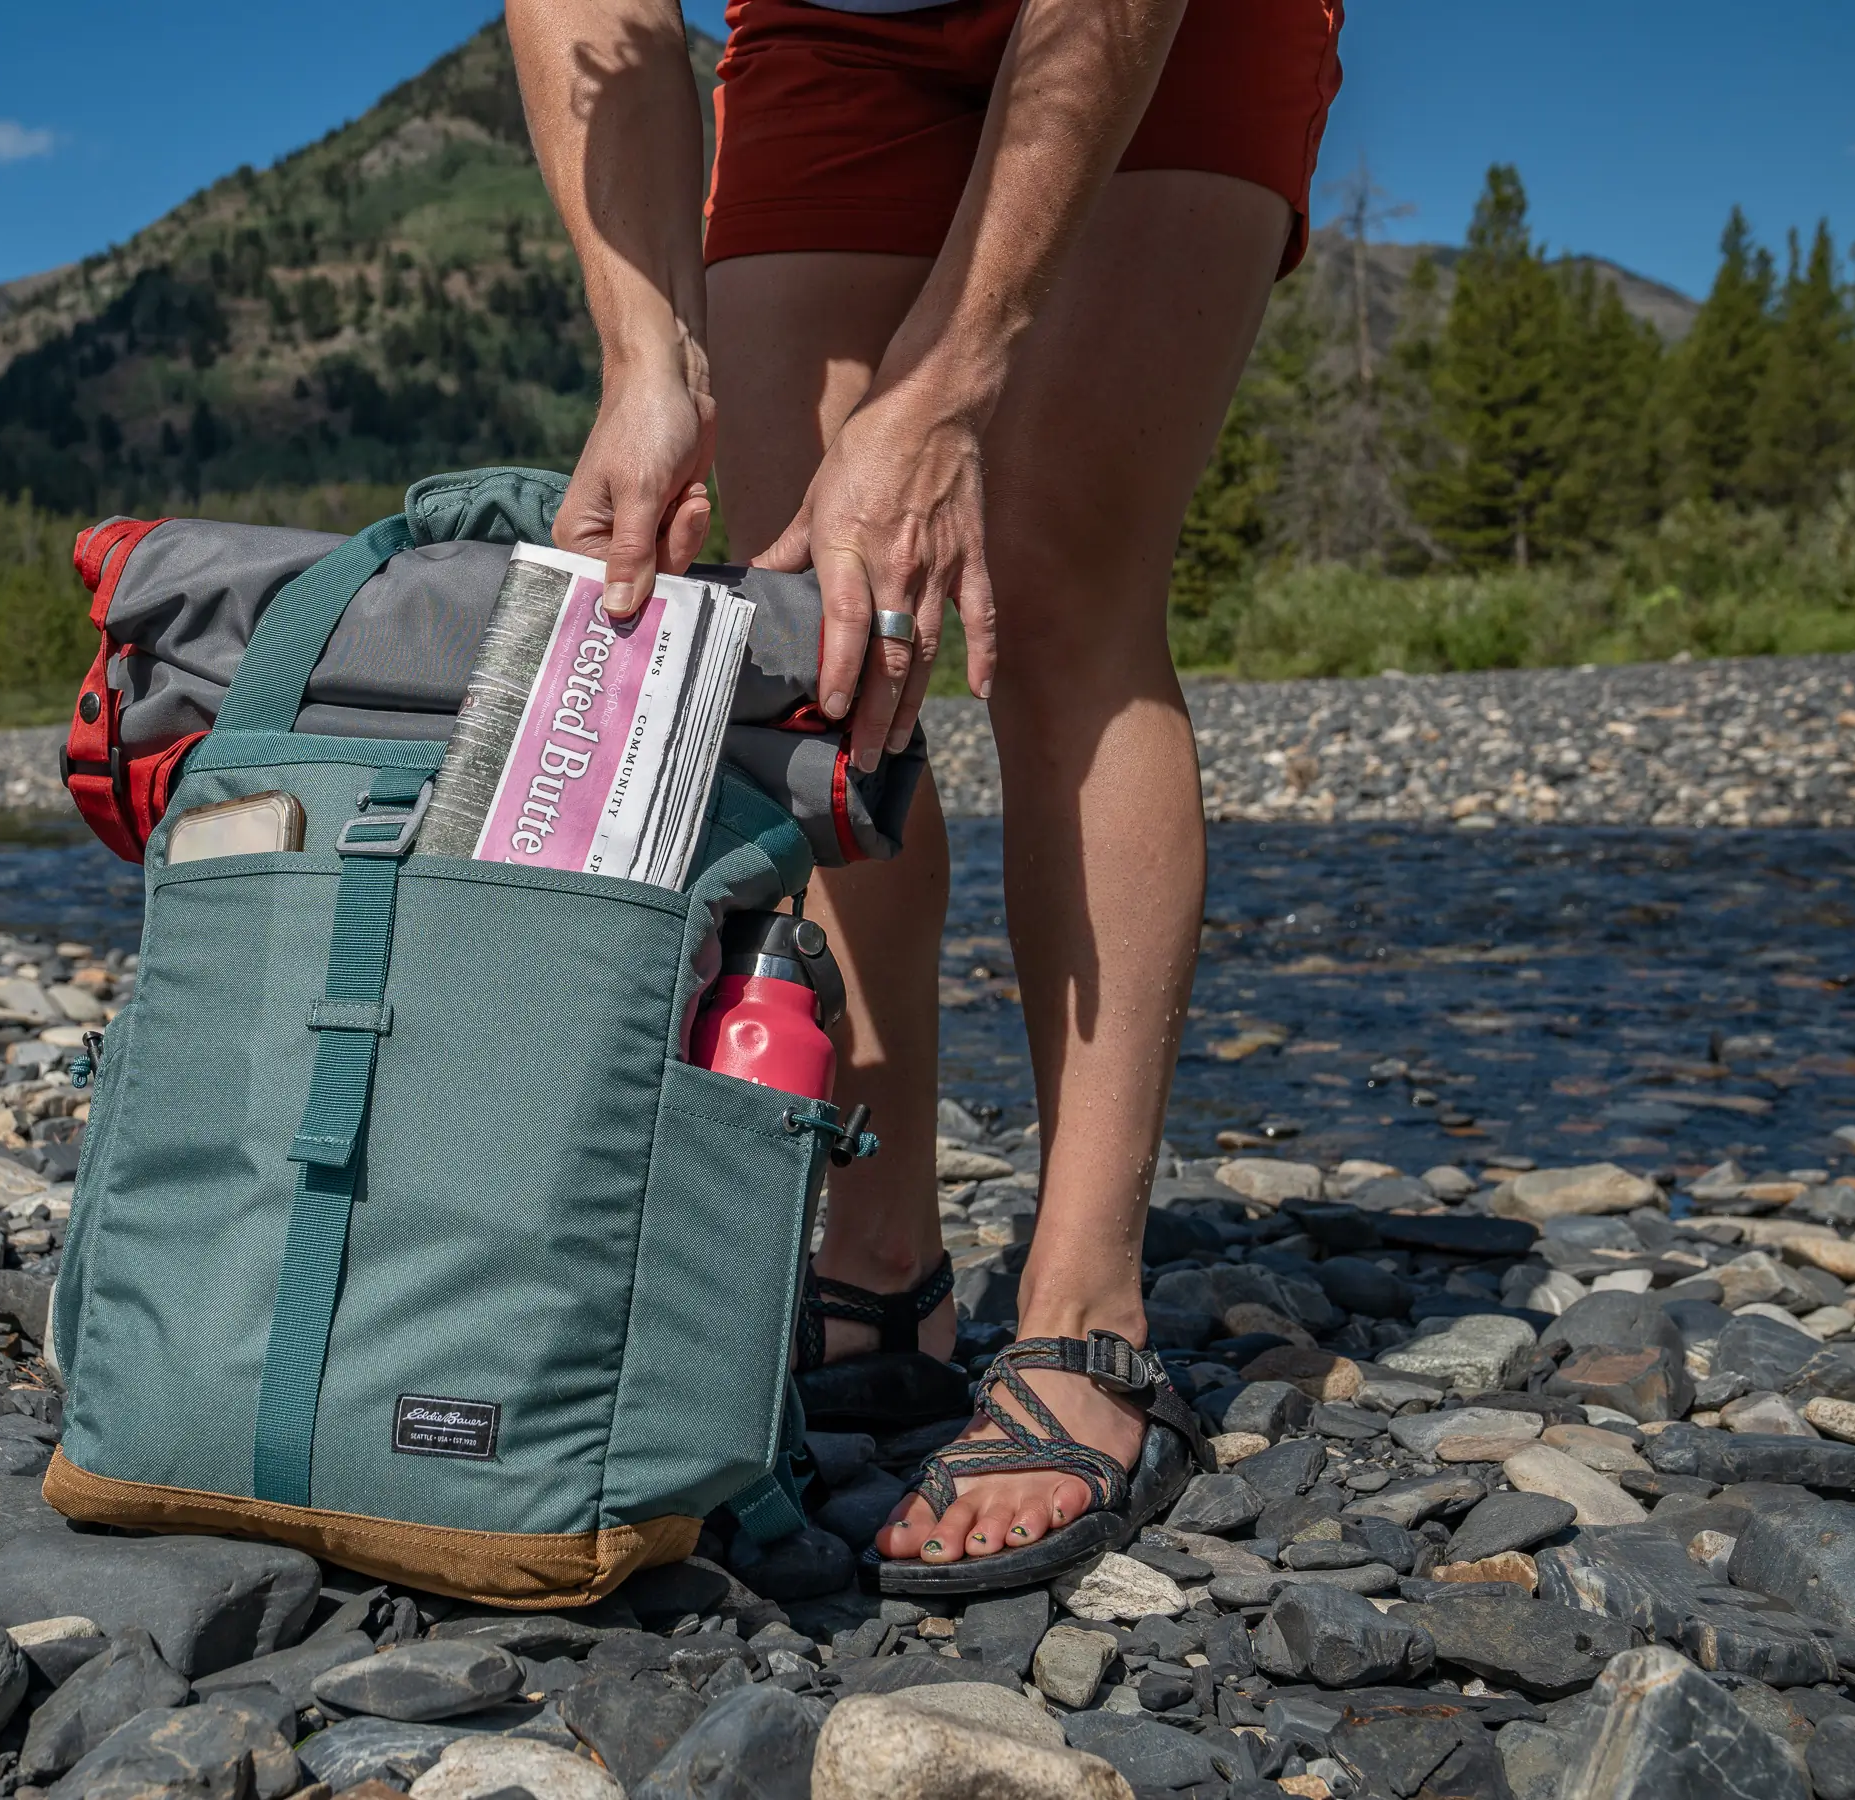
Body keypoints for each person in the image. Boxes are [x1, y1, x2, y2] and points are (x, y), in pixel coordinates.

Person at [507, 0, 1343, 1579]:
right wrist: (644, 358)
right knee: (813, 621)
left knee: (1051, 587)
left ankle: (1085, 1312)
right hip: (837, 31)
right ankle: (877, 1252)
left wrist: (950, 384)